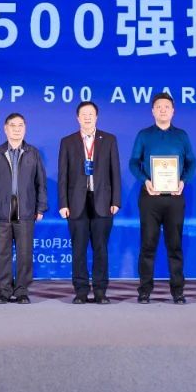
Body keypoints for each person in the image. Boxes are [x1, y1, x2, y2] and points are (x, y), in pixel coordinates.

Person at [128, 92, 196, 304]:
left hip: (175, 197)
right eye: (159, 107)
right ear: (153, 111)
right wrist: (145, 180)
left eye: (167, 107)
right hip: (150, 197)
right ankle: (144, 290)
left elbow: (191, 162)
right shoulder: (144, 135)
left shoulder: (181, 135)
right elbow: (133, 162)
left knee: (174, 246)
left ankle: (178, 291)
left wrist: (183, 181)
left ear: (173, 111)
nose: (163, 110)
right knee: (148, 245)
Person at [57, 101, 121, 304]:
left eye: (91, 113)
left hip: (103, 201)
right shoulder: (67, 141)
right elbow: (63, 176)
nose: (87, 117)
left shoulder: (108, 139)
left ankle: (101, 291)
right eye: (83, 114)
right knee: (79, 249)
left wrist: (116, 200)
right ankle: (81, 291)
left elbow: (115, 172)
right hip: (76, 203)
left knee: (101, 248)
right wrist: (63, 203)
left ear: (96, 117)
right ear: (77, 118)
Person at [0, 113, 48, 304]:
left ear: (25, 129)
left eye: (20, 125)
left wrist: (41, 208)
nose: (17, 129)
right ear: (5, 128)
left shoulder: (33, 153)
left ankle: (21, 291)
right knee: (2, 253)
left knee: (25, 253)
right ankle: (3, 290)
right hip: (0, 211)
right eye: (13, 125)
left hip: (25, 210)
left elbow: (41, 183)